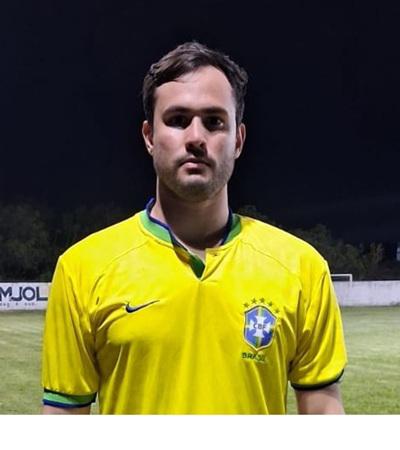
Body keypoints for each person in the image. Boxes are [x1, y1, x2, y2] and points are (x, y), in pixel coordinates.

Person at [42, 41, 347, 414]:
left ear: (238, 140)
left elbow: (324, 417)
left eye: (214, 121)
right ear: (149, 137)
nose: (196, 138)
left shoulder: (301, 269)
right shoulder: (82, 269)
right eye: (177, 120)